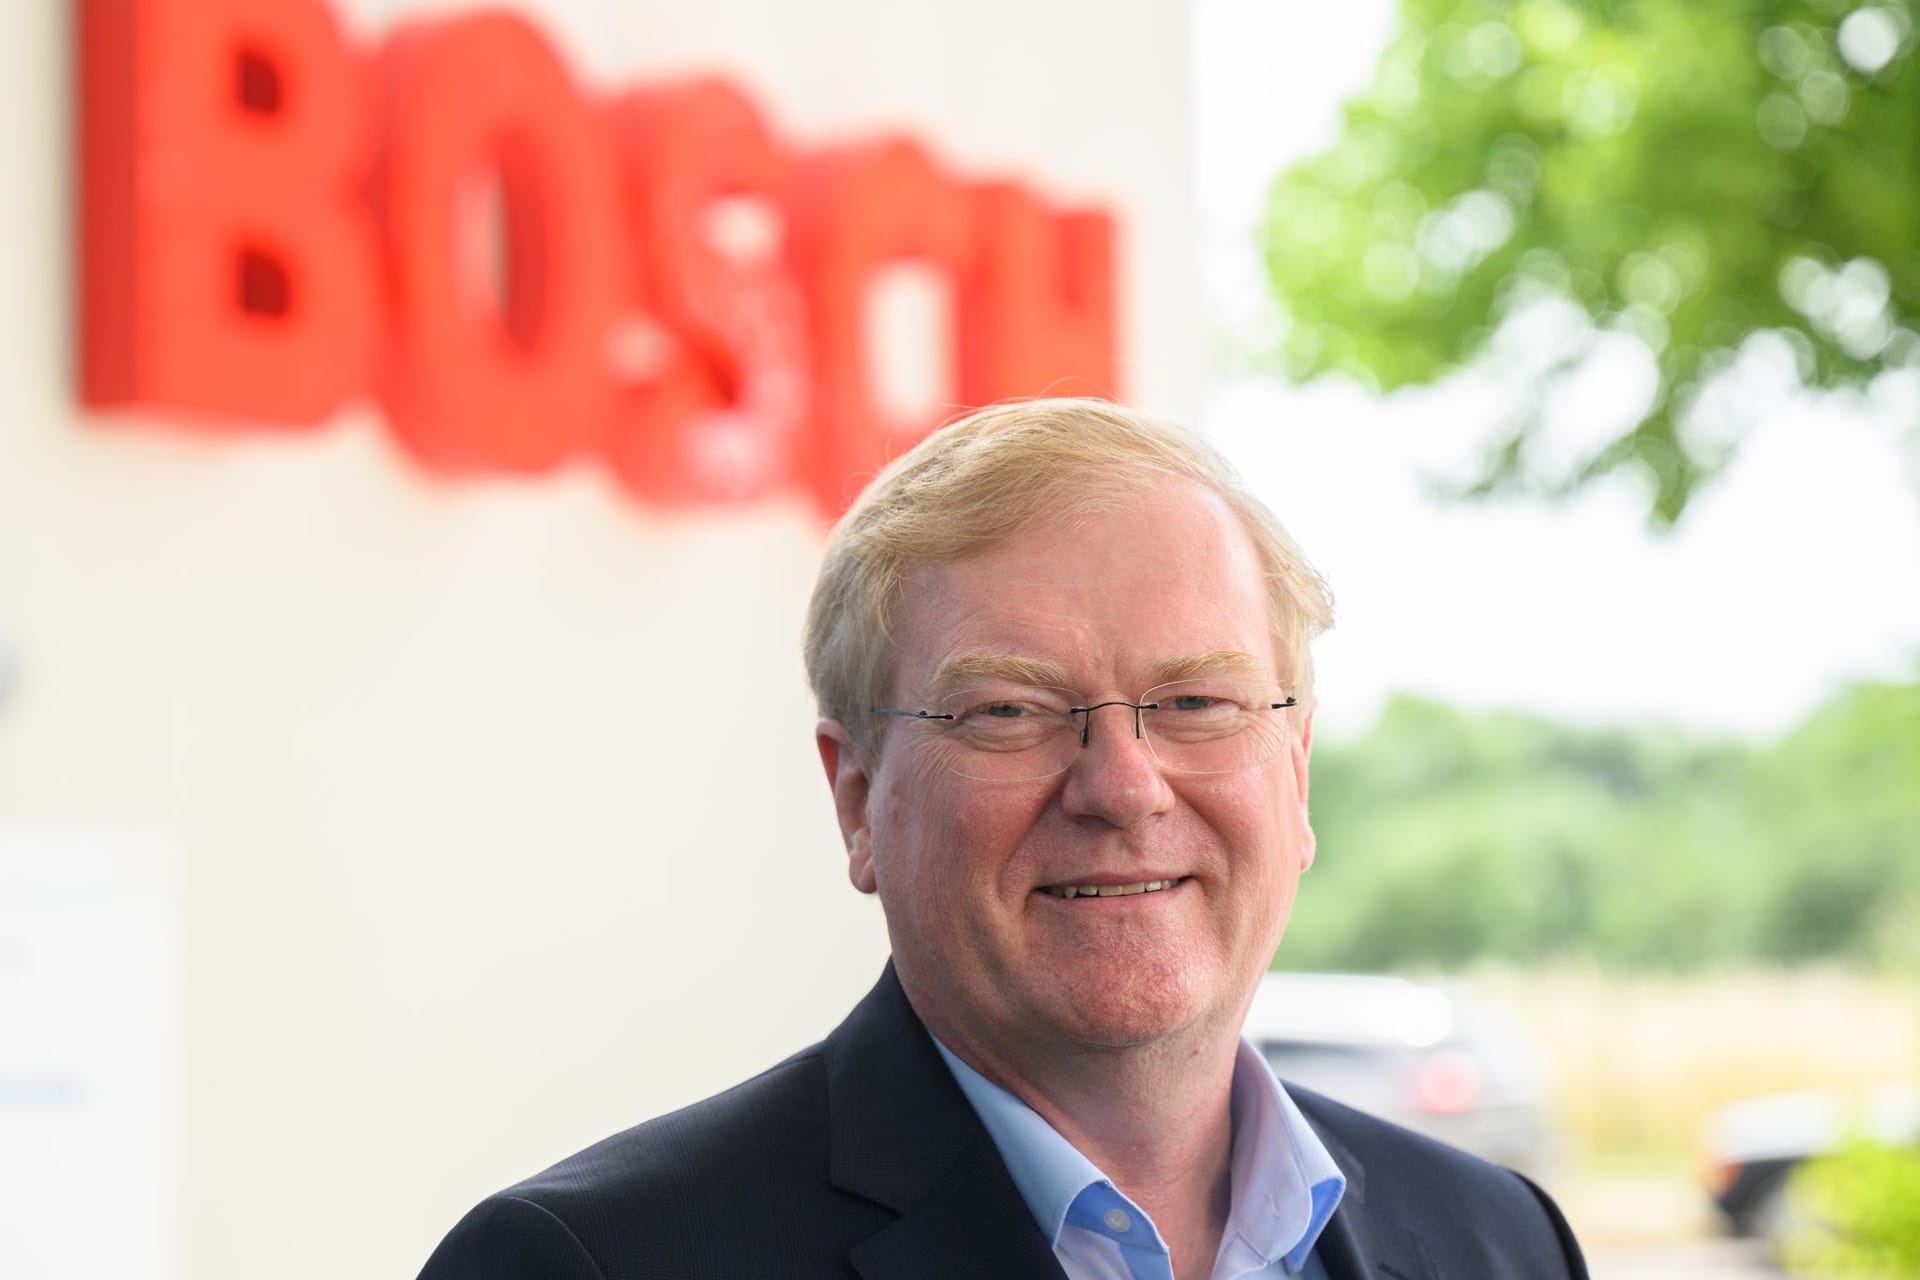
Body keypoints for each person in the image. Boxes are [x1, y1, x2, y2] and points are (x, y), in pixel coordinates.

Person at [418, 399, 1588, 1279]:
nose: (1122, 786)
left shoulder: (1501, 1240)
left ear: (1296, 767)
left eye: (1196, 701)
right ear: (857, 797)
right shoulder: (586, 1264)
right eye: (1009, 710)